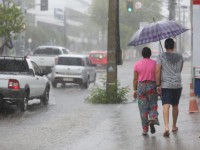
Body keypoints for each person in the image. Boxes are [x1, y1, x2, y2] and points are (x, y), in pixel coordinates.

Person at [156, 38, 184, 137]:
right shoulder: (180, 56)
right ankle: (174, 126)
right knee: (175, 105)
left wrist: (158, 84)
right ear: (173, 46)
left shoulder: (161, 56)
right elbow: (180, 69)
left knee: (166, 105)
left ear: (165, 46)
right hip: (177, 84)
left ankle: (166, 127)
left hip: (166, 85)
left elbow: (158, 70)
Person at [133, 47, 159, 136]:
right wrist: (159, 86)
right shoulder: (155, 64)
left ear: (142, 54)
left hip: (141, 87)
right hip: (152, 86)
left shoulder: (137, 64)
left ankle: (145, 130)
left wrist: (134, 90)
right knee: (153, 105)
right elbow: (158, 75)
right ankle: (152, 119)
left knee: (143, 109)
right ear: (150, 54)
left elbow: (135, 79)